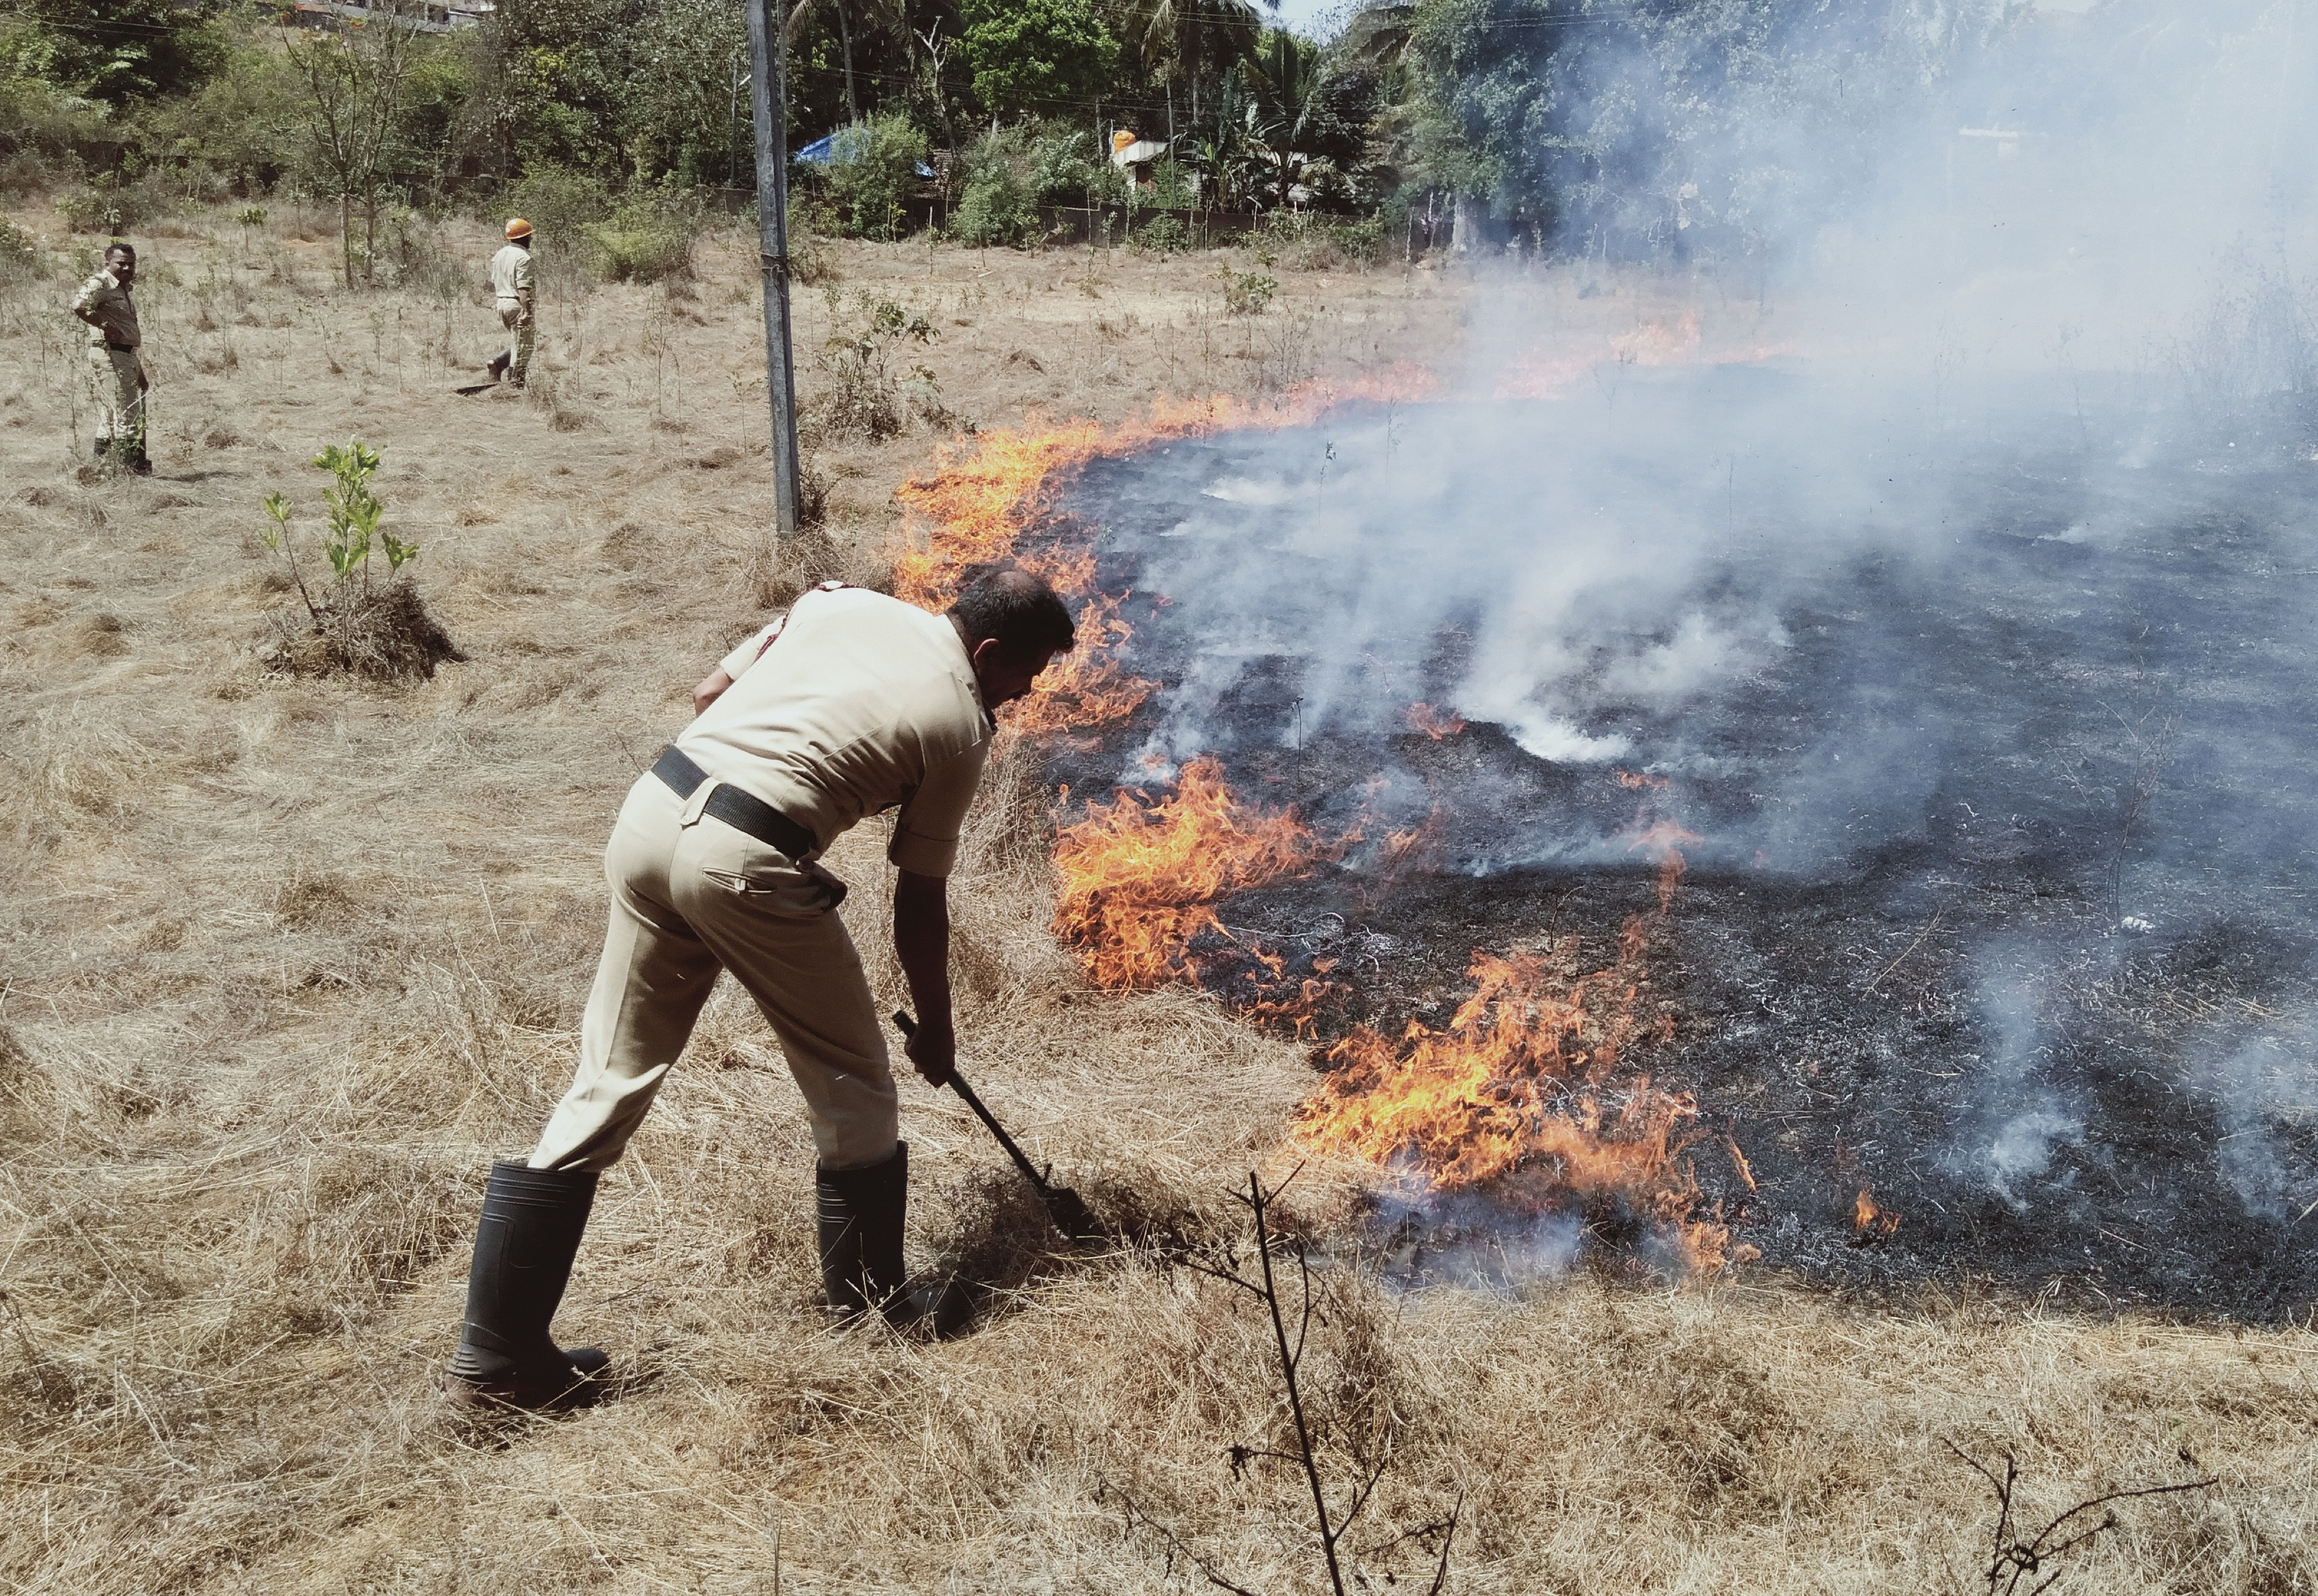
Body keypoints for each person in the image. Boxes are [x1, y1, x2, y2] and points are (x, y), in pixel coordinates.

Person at [442, 569, 1076, 1409]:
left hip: (650, 814)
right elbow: (918, 901)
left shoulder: (841, 601)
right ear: (989, 651)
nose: (1024, 694)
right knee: (855, 1086)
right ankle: (876, 1318)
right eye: (1024, 676)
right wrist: (937, 1026)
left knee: (608, 1078)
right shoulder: (959, 719)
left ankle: (497, 1358)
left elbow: (711, 691)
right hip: (746, 864)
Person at [70, 242, 150, 474]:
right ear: (108, 263)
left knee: (111, 413)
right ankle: (128, 472)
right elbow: (79, 306)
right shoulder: (101, 283)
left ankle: (102, 467)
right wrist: (106, 326)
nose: (127, 268)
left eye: (131, 264)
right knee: (128, 412)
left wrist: (138, 369)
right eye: (121, 264)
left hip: (125, 354)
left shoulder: (123, 289)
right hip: (110, 352)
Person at [486, 218, 534, 387]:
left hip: (502, 303)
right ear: (525, 238)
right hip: (516, 304)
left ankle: (497, 364)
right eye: (529, 236)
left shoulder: (500, 255)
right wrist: (527, 311)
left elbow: (495, 280)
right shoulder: (524, 258)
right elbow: (524, 287)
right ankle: (515, 385)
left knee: (517, 342)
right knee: (524, 347)